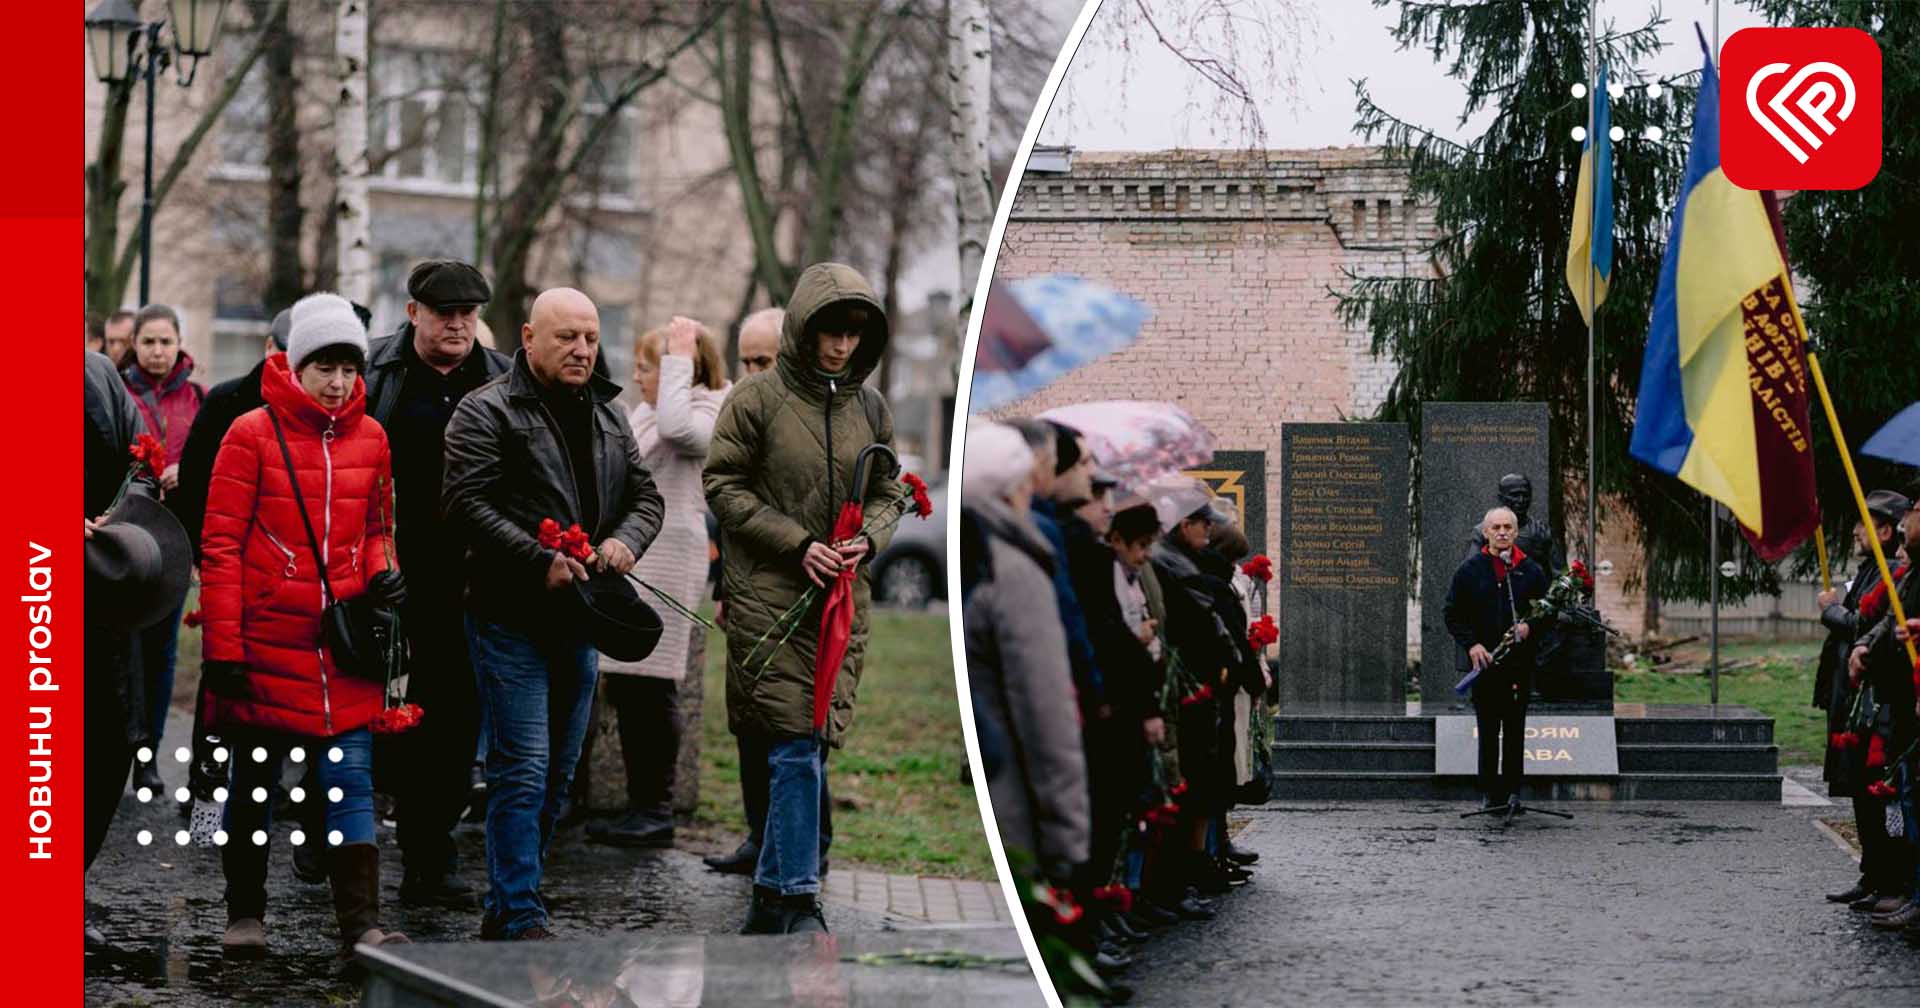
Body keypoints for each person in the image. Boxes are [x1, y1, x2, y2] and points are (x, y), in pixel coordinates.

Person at [444, 287, 665, 941]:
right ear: (530, 335)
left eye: (591, 338)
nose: (581, 350)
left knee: (560, 773)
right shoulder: (486, 410)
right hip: (507, 613)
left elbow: (646, 494)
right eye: (567, 337)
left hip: (584, 616)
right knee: (525, 766)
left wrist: (627, 538)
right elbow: (465, 503)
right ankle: (518, 907)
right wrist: (535, 558)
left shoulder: (607, 412)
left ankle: (512, 895)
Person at [198, 292, 410, 957]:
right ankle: (245, 915)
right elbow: (221, 543)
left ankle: (361, 928)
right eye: (326, 367)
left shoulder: (373, 437)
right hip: (264, 644)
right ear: (297, 365)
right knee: (253, 786)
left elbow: (377, 527)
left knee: (350, 781)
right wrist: (223, 648)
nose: (340, 382)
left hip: (343, 648)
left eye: (350, 368)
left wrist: (382, 570)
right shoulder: (249, 433)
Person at [705, 262, 897, 934]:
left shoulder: (870, 408)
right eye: (829, 332)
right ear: (803, 329)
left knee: (810, 743)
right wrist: (795, 543)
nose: (840, 347)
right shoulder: (753, 401)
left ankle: (772, 886)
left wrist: (867, 539)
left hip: (841, 600)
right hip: (769, 596)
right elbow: (724, 487)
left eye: (852, 334)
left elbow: (887, 489)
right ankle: (795, 892)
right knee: (792, 741)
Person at [364, 260, 511, 909]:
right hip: (389, 574)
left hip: (476, 577)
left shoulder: (503, 378)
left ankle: (432, 855)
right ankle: (339, 837)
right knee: (380, 716)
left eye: (468, 315)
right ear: (412, 312)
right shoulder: (378, 376)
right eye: (444, 313)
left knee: (457, 720)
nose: (457, 325)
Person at [589, 317, 730, 848]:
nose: (639, 376)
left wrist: (677, 355)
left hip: (671, 554)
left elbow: (678, 431)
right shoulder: (646, 410)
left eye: (650, 366)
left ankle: (656, 808)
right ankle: (637, 805)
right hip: (636, 553)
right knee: (628, 683)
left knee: (654, 685)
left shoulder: (708, 409)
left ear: (683, 368)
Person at [962, 422, 1089, 894]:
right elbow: (1044, 706)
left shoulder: (973, 556)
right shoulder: (1013, 569)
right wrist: (1068, 837)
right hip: (1015, 801)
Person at [82, 350, 162, 946]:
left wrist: (119, 514)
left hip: (98, 586)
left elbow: (144, 460)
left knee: (106, 743)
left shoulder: (99, 375)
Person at [703, 304, 785, 875]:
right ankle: (761, 835)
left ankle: (803, 842)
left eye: (766, 359)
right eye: (747, 360)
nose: (753, 372)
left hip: (794, 592)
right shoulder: (740, 414)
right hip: (745, 588)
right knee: (749, 719)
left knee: (795, 728)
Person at [119, 303, 207, 795]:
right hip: (124, 536)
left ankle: (147, 758)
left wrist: (186, 473)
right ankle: (117, 748)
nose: (157, 351)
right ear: (135, 343)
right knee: (121, 653)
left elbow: (216, 462)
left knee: (161, 653)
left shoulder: (198, 398)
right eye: (148, 341)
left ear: (179, 344)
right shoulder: (119, 391)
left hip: (174, 540)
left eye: (165, 342)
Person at [1818, 490, 1907, 907]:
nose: (1855, 531)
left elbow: (1863, 626)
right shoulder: (1872, 568)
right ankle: (1871, 875)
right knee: (1858, 791)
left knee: (1874, 793)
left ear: (1884, 531)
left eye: (1862, 525)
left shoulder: (1889, 572)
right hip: (1853, 700)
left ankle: (1886, 878)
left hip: (1872, 701)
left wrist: (1831, 610)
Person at [1445, 506, 1551, 811]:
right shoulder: (1470, 570)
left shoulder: (1531, 571)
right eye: (1496, 528)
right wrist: (1472, 644)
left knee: (1516, 730)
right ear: (1486, 533)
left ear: (1516, 533)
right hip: (1486, 664)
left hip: (1519, 665)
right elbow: (1451, 613)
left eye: (1508, 527)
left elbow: (1548, 613)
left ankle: (1514, 793)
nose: (1502, 532)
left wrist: (1531, 626)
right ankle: (1489, 794)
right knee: (1489, 730)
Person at [1848, 491, 1920, 932]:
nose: (1911, 521)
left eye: (1915, 513)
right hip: (1900, 696)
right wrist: (1864, 645)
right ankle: (1904, 888)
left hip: (1905, 698)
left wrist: (1835, 617)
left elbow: (1865, 616)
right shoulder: (1907, 572)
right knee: (1907, 798)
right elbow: (1883, 622)